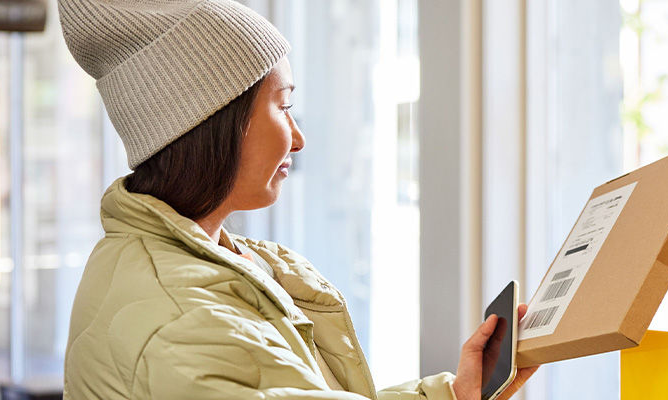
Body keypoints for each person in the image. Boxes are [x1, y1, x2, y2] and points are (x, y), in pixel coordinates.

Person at [57, 0, 537, 398]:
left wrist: (457, 395)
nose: (299, 139)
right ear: (210, 122)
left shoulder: (191, 264)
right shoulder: (187, 320)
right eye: (284, 106)